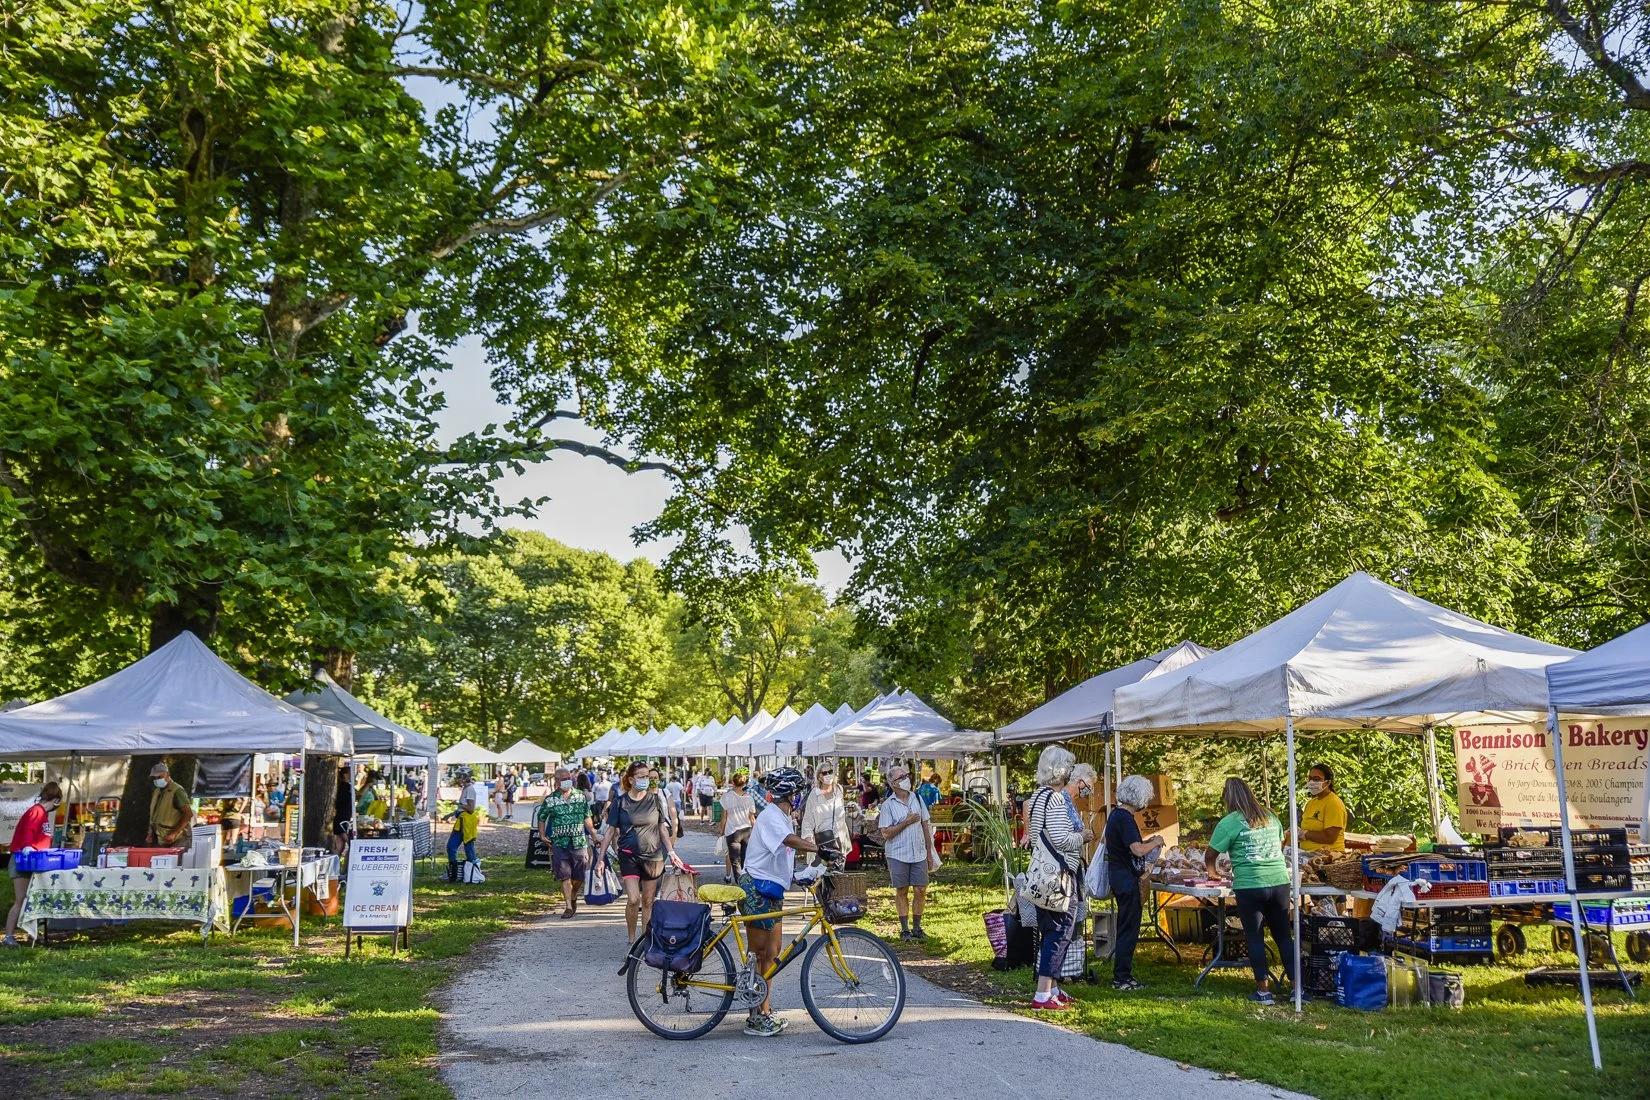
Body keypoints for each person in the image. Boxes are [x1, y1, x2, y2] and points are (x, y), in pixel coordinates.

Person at [737, 767, 818, 1038]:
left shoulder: (783, 816)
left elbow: (781, 854)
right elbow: (788, 842)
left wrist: (800, 874)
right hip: (757, 888)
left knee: (773, 952)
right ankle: (755, 1014)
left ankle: (765, 1009)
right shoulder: (772, 815)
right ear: (791, 794)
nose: (797, 798)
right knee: (759, 952)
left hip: (772, 889)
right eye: (796, 793)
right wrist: (817, 848)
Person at [1205, 777, 1295, 1005]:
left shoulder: (1228, 822)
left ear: (1228, 798)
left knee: (1255, 937)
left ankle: (1263, 991)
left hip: (1250, 885)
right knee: (1284, 936)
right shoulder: (1270, 817)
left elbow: (1210, 854)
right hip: (1279, 882)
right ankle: (1297, 988)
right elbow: (1280, 844)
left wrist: (1213, 872)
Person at [1024, 748, 1093, 1010]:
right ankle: (1042, 994)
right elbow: (1061, 839)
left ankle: (1052, 988)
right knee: (1060, 931)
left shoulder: (1038, 795)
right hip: (1059, 876)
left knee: (1050, 929)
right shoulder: (1054, 799)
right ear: (1061, 769)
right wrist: (1083, 837)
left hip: (1043, 874)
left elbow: (1036, 832)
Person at [597, 762, 686, 941]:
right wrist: (600, 858)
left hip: (653, 855)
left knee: (647, 901)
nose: (646, 780)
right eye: (641, 777)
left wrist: (672, 853)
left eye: (647, 776)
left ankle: (645, 942)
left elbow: (662, 828)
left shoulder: (655, 800)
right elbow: (610, 831)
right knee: (633, 900)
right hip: (629, 856)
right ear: (631, 779)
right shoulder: (620, 802)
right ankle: (631, 939)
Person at [1107, 773, 1166, 992]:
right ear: (1140, 797)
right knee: (1129, 929)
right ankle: (1121, 977)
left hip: (1119, 875)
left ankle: (1122, 975)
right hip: (1127, 878)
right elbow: (1137, 849)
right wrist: (1156, 841)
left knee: (1126, 927)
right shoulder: (1125, 818)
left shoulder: (1115, 815)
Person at [876, 765, 935, 940]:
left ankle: (917, 927)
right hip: (897, 853)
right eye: (901, 777)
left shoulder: (917, 798)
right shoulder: (888, 805)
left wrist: (929, 852)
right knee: (901, 889)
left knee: (920, 889)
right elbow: (885, 833)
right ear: (892, 783)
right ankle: (904, 929)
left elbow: (926, 825)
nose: (906, 779)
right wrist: (906, 822)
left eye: (906, 775)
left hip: (918, 852)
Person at [3, 781, 62, 947]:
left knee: (32, 899)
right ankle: (8, 936)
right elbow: (29, 831)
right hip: (22, 860)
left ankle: (31, 933)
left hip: (34, 861)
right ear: (56, 800)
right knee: (21, 900)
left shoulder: (42, 813)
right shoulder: (37, 811)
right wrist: (28, 845)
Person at [539, 768, 597, 918]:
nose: (567, 781)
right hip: (559, 842)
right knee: (564, 875)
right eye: (563, 779)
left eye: (568, 778)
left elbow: (587, 816)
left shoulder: (580, 796)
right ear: (557, 781)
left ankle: (573, 894)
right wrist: (542, 835)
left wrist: (594, 834)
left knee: (578, 877)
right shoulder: (551, 799)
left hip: (578, 841)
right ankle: (568, 907)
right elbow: (542, 816)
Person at [799, 767, 851, 866]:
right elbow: (808, 819)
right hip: (822, 840)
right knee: (821, 874)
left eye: (830, 772)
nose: (828, 775)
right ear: (819, 776)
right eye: (824, 773)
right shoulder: (815, 794)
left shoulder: (838, 790)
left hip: (839, 838)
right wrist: (808, 838)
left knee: (838, 873)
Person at [1294, 763, 1349, 852]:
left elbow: (1330, 837)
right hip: (1309, 856)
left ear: (1327, 782)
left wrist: (1305, 834)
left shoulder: (1333, 803)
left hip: (1329, 858)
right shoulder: (1311, 803)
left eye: (1316, 779)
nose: (1311, 782)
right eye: (1310, 779)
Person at [147, 762, 195, 852]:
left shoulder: (177, 791)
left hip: (178, 838)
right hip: (161, 837)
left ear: (168, 775)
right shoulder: (157, 791)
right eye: (154, 778)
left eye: (159, 777)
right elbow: (154, 815)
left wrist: (174, 833)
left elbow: (188, 814)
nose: (156, 780)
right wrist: (150, 832)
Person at [720, 770, 757, 884]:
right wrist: (756, 831)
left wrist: (721, 831)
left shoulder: (726, 797)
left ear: (733, 783)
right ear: (744, 784)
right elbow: (752, 818)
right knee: (745, 858)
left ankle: (739, 882)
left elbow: (724, 818)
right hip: (746, 830)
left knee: (735, 860)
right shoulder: (749, 798)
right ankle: (746, 882)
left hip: (732, 831)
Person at [445, 799, 481, 881]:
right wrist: (450, 814)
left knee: (468, 849)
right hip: (461, 822)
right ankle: (453, 874)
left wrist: (458, 804)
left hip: (466, 823)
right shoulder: (465, 789)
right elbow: (462, 809)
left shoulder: (470, 790)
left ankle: (474, 874)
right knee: (452, 847)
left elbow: (470, 809)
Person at [331, 768, 354, 857]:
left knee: (340, 845)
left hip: (342, 817)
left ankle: (336, 864)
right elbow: (359, 794)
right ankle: (347, 863)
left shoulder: (342, 786)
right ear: (346, 774)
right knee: (349, 842)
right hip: (342, 818)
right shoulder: (345, 786)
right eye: (350, 773)